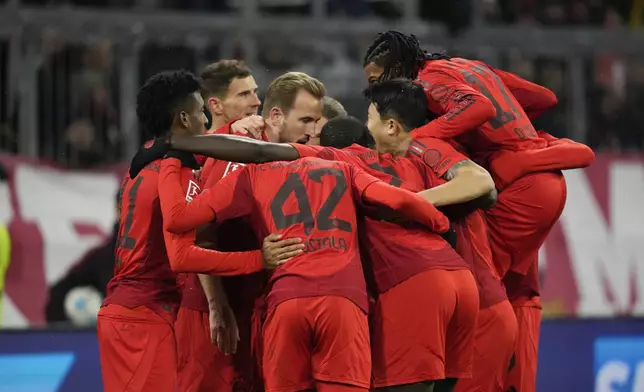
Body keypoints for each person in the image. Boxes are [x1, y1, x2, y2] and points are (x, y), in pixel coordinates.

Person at [362, 31, 594, 392]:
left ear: (396, 68)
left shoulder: (428, 81)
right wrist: (509, 132)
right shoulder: (468, 66)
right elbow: (542, 97)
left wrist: (419, 135)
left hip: (519, 188)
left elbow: (479, 108)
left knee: (484, 292)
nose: (378, 94)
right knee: (517, 288)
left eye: (378, 82)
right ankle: (512, 370)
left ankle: (496, 366)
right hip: (545, 178)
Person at [156, 152, 454, 392]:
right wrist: (440, 222)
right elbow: (400, 199)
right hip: (343, 303)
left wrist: (170, 160)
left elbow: (179, 219)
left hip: (287, 302)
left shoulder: (250, 175)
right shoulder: (343, 169)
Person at [97, 70, 298, 392]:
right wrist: (258, 259)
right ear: (183, 118)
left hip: (133, 311)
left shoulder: (152, 158)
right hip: (141, 315)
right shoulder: (174, 171)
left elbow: (216, 147)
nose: (206, 119)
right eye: (199, 111)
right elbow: (181, 256)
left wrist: (234, 127)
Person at [175, 59, 263, 392]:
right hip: (206, 303)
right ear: (215, 105)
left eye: (255, 91)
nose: (256, 101)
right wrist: (216, 305)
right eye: (244, 94)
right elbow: (199, 237)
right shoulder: (193, 159)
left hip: (244, 302)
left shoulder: (250, 147)